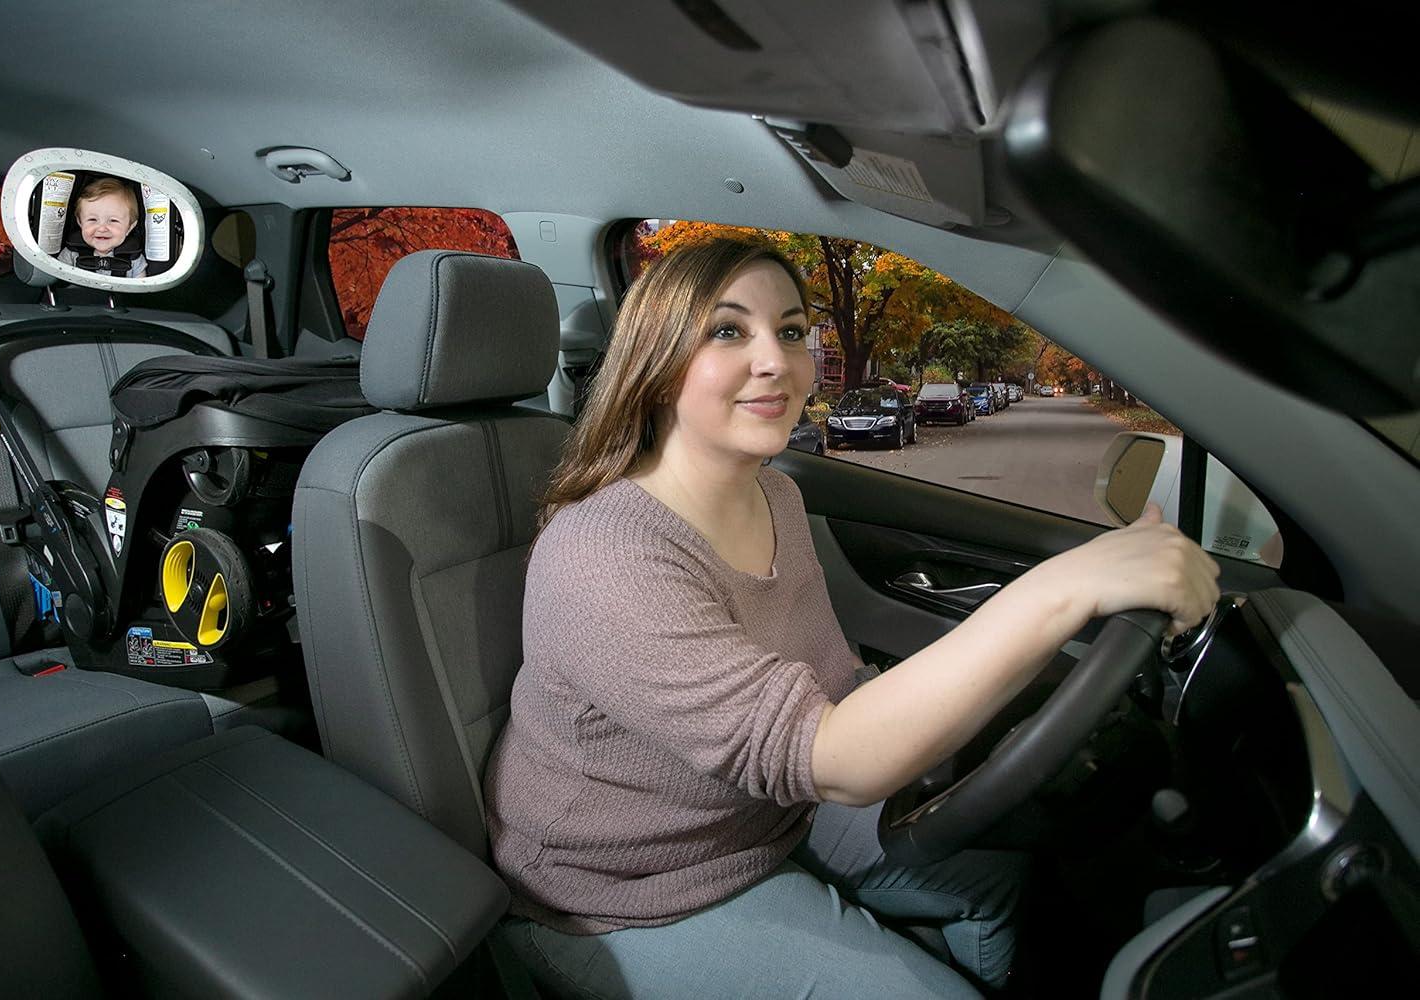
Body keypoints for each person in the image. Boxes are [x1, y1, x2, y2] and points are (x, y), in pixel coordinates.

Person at [483, 238, 1220, 998]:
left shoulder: (775, 493)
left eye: (792, 330)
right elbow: (830, 757)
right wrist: (1065, 589)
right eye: (728, 330)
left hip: (770, 813)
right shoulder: (605, 552)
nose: (776, 361)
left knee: (1001, 874)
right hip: (628, 885)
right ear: (657, 360)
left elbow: (832, 685)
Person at [56, 177, 147, 278]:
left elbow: (142, 285)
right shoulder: (71, 254)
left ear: (130, 227)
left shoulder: (134, 259)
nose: (102, 229)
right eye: (92, 220)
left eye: (113, 220)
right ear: (80, 222)